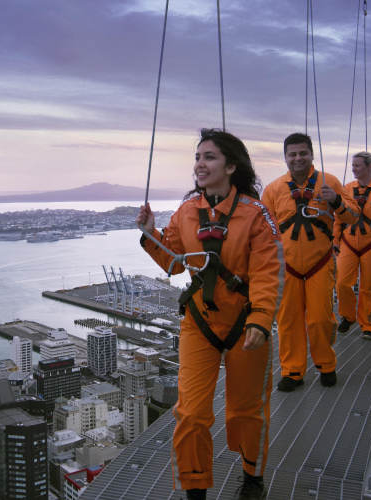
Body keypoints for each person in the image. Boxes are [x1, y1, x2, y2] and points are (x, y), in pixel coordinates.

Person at [138, 129, 280, 499]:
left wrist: (261, 319)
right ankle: (195, 486)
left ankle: (252, 476)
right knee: (190, 412)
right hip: (200, 321)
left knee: (246, 411)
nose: (200, 164)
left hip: (245, 322)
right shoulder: (187, 212)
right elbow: (174, 263)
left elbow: (268, 272)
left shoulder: (255, 215)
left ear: (231, 166)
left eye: (209, 157)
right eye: (198, 157)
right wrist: (150, 235)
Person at [261, 132, 358, 392]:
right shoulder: (273, 190)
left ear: (312, 154)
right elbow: (263, 229)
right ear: (285, 157)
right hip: (287, 266)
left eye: (303, 153)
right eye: (292, 154)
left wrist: (335, 200)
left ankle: (326, 364)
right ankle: (292, 371)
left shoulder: (330, 183)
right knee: (288, 321)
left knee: (320, 319)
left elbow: (353, 217)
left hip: (320, 263)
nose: (298, 158)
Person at [334, 152, 371, 340]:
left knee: (368, 287)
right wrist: (335, 240)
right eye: (353, 165)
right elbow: (338, 217)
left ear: (369, 167)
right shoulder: (346, 189)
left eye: (357, 165)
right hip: (348, 242)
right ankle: (348, 316)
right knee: (342, 283)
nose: (353, 168)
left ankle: (367, 325)